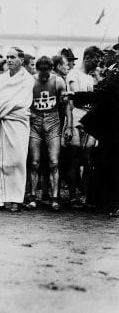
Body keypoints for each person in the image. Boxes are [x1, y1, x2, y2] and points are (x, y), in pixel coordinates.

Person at [0, 47, 35, 212]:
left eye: (13, 57)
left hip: (18, 122)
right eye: (8, 57)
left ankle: (16, 199)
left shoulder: (28, 79)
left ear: (22, 60)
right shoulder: (0, 79)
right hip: (0, 123)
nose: (9, 60)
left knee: (18, 160)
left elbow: (19, 103)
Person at [69, 56, 119, 216]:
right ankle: (105, 201)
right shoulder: (114, 70)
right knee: (106, 161)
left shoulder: (115, 72)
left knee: (115, 164)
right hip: (110, 126)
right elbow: (104, 90)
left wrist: (78, 96)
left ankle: (114, 204)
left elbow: (106, 92)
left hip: (115, 125)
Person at [26, 56, 71, 211]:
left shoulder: (58, 81)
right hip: (35, 122)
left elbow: (67, 106)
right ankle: (32, 197)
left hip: (53, 122)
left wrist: (69, 126)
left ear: (52, 69)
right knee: (34, 162)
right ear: (37, 70)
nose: (44, 77)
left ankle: (54, 197)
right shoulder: (31, 81)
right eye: (41, 73)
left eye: (47, 73)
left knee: (54, 162)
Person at [62, 46, 103, 208]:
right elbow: (73, 100)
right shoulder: (74, 74)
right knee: (73, 159)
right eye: (95, 60)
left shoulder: (90, 77)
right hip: (76, 117)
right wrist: (70, 126)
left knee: (87, 161)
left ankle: (84, 195)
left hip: (89, 119)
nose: (97, 64)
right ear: (87, 58)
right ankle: (72, 196)